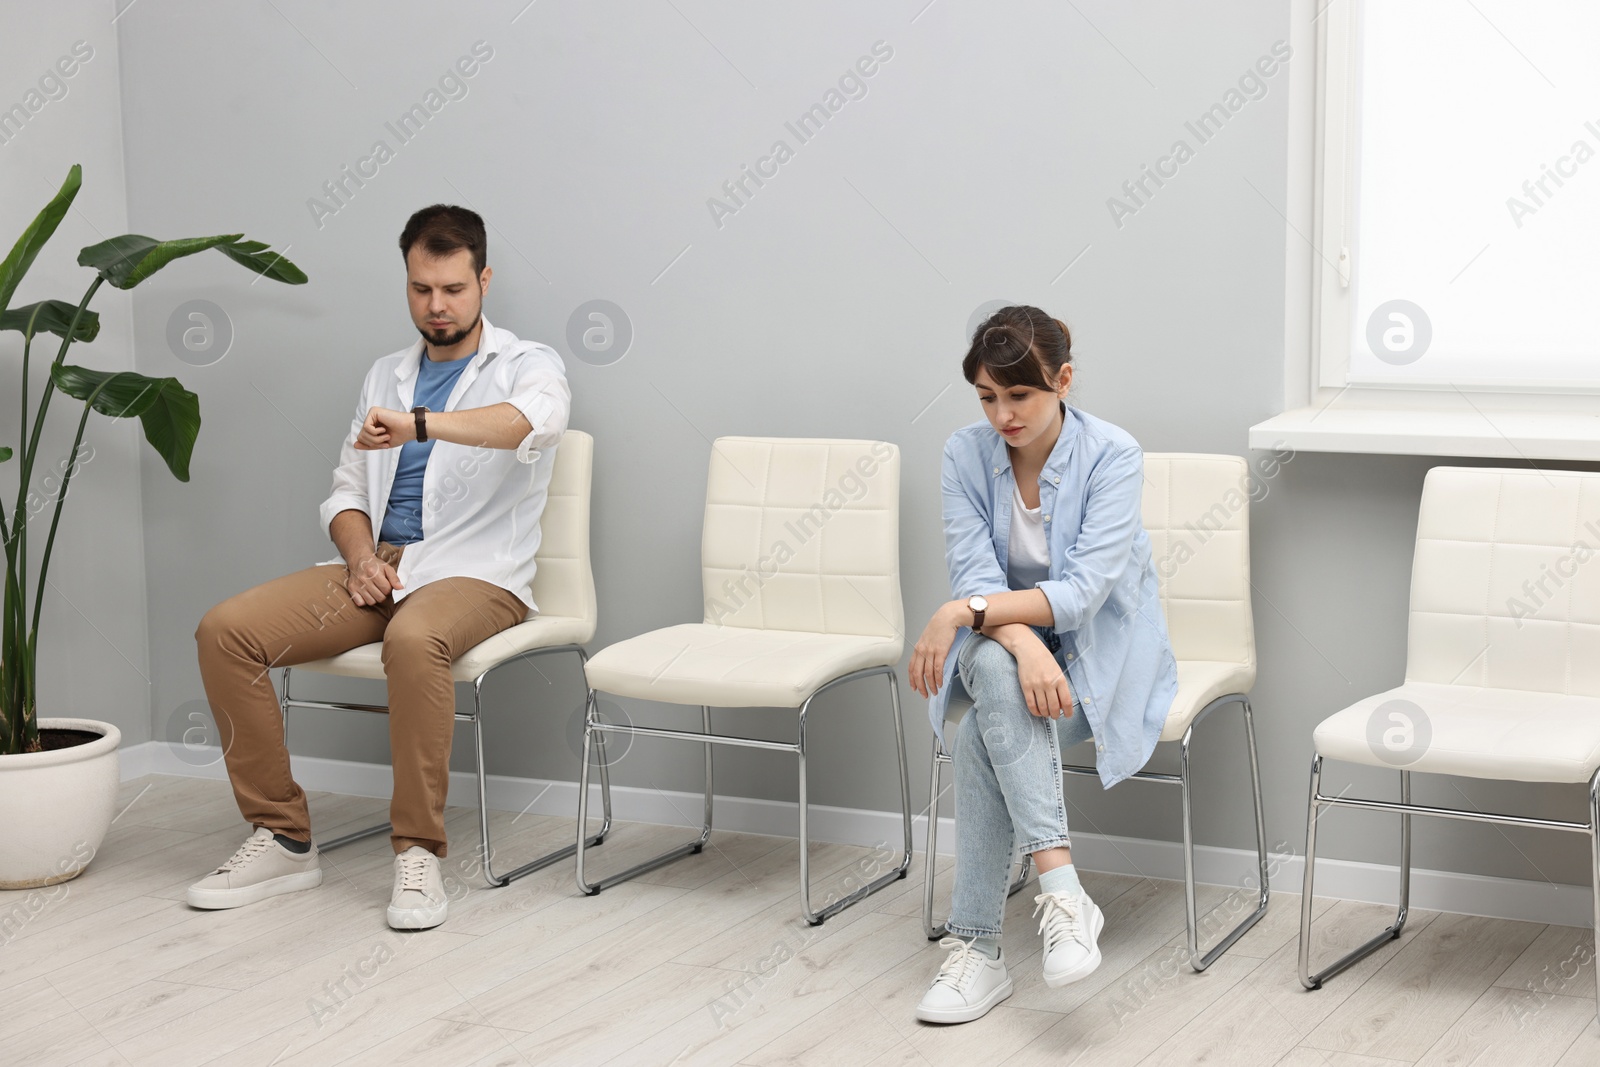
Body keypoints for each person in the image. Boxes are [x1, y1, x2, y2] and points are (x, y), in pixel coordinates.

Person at [189, 204, 570, 930]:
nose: (437, 305)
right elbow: (344, 489)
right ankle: (284, 836)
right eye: (422, 288)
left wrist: (421, 423)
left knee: (411, 638)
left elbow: (533, 424)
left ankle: (419, 850)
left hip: (476, 577)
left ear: (483, 279)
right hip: (380, 574)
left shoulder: (528, 364)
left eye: (454, 288)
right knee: (226, 631)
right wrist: (359, 557)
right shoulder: (384, 375)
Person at [908, 306, 1178, 1023]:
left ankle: (978, 952)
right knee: (1001, 677)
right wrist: (1019, 641)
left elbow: (1084, 596)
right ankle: (1062, 890)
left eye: (1019, 395)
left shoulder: (1113, 454)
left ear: (1062, 380)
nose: (1003, 414)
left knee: (979, 738)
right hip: (1005, 650)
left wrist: (964, 613)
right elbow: (974, 571)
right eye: (988, 397)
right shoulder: (962, 454)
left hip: (1097, 661)